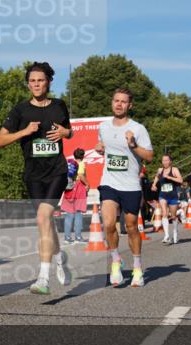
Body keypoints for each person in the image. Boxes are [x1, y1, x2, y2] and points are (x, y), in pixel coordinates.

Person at [0, 62, 72, 295]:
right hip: (33, 175)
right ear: (28, 83)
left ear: (48, 82)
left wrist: (65, 133)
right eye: (32, 81)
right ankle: (59, 258)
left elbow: (69, 131)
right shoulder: (20, 110)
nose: (36, 84)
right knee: (45, 222)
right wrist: (24, 132)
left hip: (57, 171)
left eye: (40, 80)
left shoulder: (59, 106)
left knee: (42, 217)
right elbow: (0, 141)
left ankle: (43, 278)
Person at [94, 88, 154, 288]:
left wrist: (133, 145)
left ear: (130, 105)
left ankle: (137, 267)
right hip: (109, 182)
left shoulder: (138, 129)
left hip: (130, 185)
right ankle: (115, 261)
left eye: (123, 101)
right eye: (116, 100)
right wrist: (100, 148)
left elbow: (149, 156)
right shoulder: (103, 126)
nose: (119, 104)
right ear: (112, 102)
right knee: (109, 223)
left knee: (130, 227)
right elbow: (104, 146)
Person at [151, 154, 183, 244]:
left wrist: (170, 177)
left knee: (173, 216)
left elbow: (180, 180)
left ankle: (175, 232)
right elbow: (157, 177)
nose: (165, 162)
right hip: (163, 195)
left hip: (173, 196)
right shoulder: (160, 170)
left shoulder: (174, 169)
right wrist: (154, 185)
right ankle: (166, 236)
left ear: (170, 161)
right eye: (163, 160)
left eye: (166, 160)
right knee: (164, 213)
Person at [61, 147, 89, 244]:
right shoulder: (81, 164)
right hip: (79, 188)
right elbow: (81, 175)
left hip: (69, 187)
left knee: (69, 214)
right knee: (78, 213)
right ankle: (78, 237)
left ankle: (67, 237)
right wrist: (87, 184)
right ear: (83, 156)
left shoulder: (70, 164)